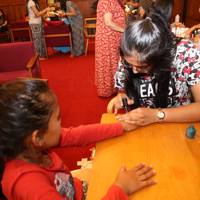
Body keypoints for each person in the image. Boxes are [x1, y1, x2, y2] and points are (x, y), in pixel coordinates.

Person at [0, 79, 156, 200]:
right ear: (37, 137)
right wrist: (121, 188)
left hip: (78, 190)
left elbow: (76, 134)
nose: (62, 123)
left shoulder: (30, 146)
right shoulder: (29, 185)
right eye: (58, 119)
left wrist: (120, 127)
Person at [110, 2, 200, 128]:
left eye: (142, 66)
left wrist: (157, 115)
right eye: (129, 64)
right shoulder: (130, 53)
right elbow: (123, 88)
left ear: (161, 57)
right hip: (140, 126)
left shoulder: (186, 53)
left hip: (177, 127)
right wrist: (123, 95)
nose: (134, 71)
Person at [95, 0, 126, 97]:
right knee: (108, 63)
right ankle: (107, 89)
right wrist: (125, 30)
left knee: (114, 63)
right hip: (108, 38)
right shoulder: (106, 1)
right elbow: (108, 22)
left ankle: (114, 87)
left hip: (113, 37)